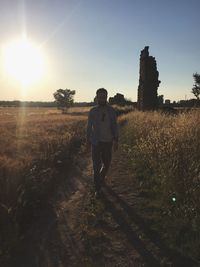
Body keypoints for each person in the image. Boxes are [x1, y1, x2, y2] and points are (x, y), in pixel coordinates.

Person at [86, 88, 119, 196]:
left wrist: (116, 140)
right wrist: (88, 141)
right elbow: (89, 127)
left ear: (106, 97)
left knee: (107, 164)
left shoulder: (111, 111)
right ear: (97, 97)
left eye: (104, 96)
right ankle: (98, 188)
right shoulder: (93, 111)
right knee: (96, 165)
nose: (102, 98)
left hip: (108, 142)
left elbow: (114, 125)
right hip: (96, 142)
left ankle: (101, 177)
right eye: (100, 96)